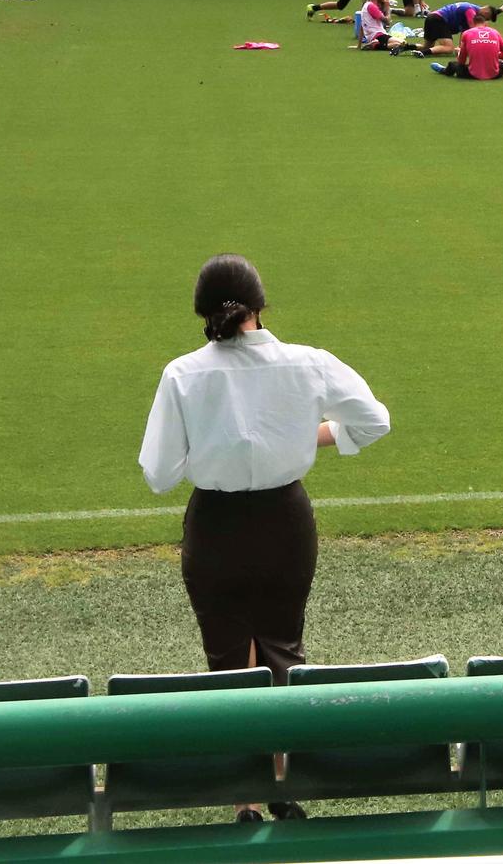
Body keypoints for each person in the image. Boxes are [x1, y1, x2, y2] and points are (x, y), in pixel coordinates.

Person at [138, 254, 390, 823]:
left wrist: (214, 444)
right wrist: (306, 434)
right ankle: (280, 780)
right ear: (260, 307)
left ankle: (244, 798)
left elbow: (159, 473)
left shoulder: (182, 374)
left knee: (229, 659)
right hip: (285, 521)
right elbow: (374, 421)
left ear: (204, 313)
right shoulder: (308, 362)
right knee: (282, 647)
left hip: (216, 527)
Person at [431, 20, 503, 80]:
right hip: (495, 75)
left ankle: (443, 70)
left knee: (453, 65)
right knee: (502, 64)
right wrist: (494, 55)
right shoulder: (494, 32)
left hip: (471, 75)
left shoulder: (467, 33)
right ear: (486, 24)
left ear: (473, 24)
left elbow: (461, 61)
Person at [416, 1, 496, 56]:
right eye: (487, 18)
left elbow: (465, 31)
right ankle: (423, 53)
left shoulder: (471, 8)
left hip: (431, 18)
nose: (485, 20)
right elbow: (472, 30)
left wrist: (461, 48)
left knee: (426, 46)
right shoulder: (471, 11)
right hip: (438, 20)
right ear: (486, 13)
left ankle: (407, 46)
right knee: (449, 48)